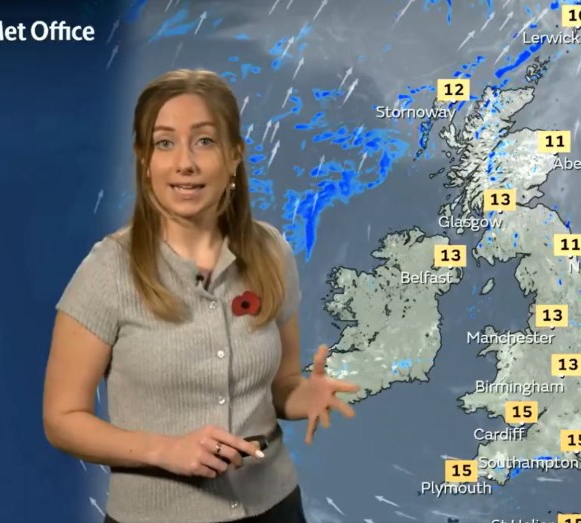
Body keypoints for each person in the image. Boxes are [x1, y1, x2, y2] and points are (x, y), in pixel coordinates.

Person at [42, 68, 360, 523]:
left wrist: (302, 397)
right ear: (144, 159)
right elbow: (62, 418)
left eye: (205, 142)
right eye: (165, 143)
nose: (184, 163)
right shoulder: (107, 271)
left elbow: (282, 387)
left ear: (234, 156)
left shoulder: (271, 253)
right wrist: (165, 450)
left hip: (275, 506)